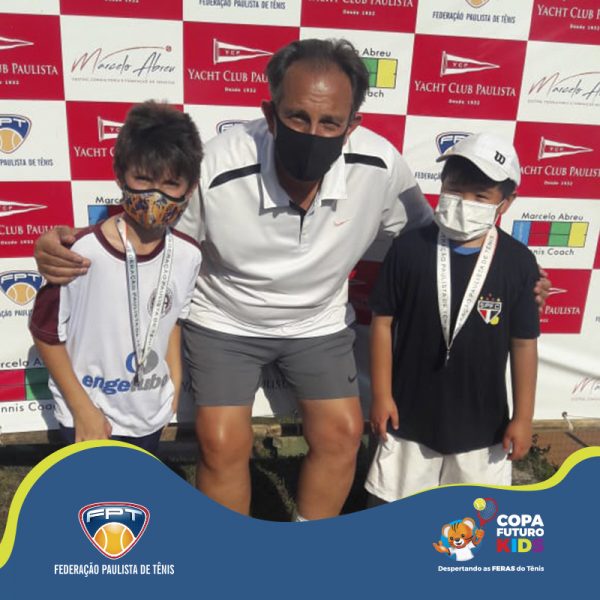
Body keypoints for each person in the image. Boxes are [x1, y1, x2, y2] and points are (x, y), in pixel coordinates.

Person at [33, 39, 548, 520]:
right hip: (225, 319)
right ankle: (229, 556)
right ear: (269, 115)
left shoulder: (381, 164)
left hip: (317, 322)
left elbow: (439, 238)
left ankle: (306, 552)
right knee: (221, 442)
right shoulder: (218, 164)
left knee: (343, 435)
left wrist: (515, 273)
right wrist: (64, 243)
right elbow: (151, 228)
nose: (313, 133)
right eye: (298, 117)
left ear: (352, 125)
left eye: (330, 122)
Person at [365, 133, 539, 503]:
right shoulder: (409, 248)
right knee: (391, 513)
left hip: (483, 426)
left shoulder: (518, 262)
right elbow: (382, 323)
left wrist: (523, 418)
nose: (464, 203)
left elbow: (524, 344)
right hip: (408, 416)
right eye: (455, 191)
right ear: (441, 186)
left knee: (470, 520)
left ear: (506, 203)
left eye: (481, 196)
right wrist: (381, 395)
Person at [29, 101, 203, 454]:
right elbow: (46, 334)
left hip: (148, 413)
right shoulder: (78, 253)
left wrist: (173, 380)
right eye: (143, 179)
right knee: (91, 489)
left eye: (171, 183)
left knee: (135, 486)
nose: (155, 196)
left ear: (190, 188)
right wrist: (83, 410)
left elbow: (173, 320)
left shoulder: (188, 255)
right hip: (89, 416)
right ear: (120, 174)